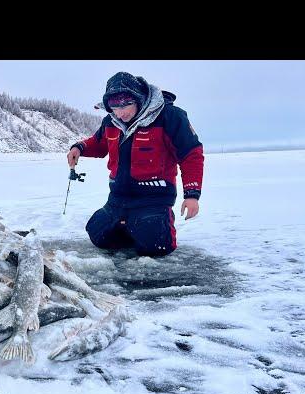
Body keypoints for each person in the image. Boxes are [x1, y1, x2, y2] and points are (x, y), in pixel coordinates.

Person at [67, 71, 204, 257]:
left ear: (138, 99)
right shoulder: (111, 121)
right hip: (118, 199)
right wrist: (80, 148)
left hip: (153, 199)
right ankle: (131, 225)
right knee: (97, 234)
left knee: (155, 247)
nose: (121, 112)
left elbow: (191, 155)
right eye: (115, 106)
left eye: (126, 104)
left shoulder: (170, 117)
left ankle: (153, 224)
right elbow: (98, 143)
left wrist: (192, 195)